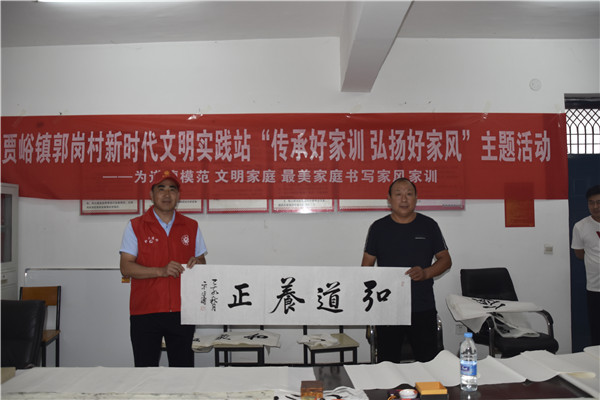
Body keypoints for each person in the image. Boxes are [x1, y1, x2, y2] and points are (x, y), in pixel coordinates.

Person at [120, 170, 208, 367]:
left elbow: (202, 261)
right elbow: (125, 267)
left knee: (183, 370)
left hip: (182, 311)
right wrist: (160, 271)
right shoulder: (135, 226)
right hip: (145, 311)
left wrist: (197, 263)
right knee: (145, 371)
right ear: (151, 195)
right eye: (161, 189)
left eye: (172, 189)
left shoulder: (191, 226)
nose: (167, 194)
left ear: (178, 196)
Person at [361, 177, 452, 362]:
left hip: (422, 306)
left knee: (428, 363)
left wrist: (425, 273)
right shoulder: (378, 228)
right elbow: (366, 266)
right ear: (389, 199)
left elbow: (445, 260)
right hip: (388, 309)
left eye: (409, 194)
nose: (404, 199)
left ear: (416, 198)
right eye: (398, 194)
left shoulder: (429, 225)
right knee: (387, 364)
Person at [571, 184, 600, 346]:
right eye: (591, 202)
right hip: (595, 288)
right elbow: (579, 254)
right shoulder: (580, 226)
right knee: (597, 330)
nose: (595, 206)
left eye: (599, 202)